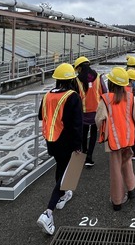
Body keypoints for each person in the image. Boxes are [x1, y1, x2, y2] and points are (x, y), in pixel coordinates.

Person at [36, 63, 83, 235]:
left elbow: (41, 115)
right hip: (67, 142)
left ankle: (63, 196)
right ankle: (48, 212)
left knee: (61, 167)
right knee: (67, 173)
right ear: (71, 80)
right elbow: (77, 125)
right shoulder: (73, 97)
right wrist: (78, 146)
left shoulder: (48, 95)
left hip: (51, 140)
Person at [95, 67, 135, 210]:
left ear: (111, 83)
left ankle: (117, 201)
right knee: (127, 164)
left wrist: (104, 131)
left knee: (115, 170)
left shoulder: (106, 99)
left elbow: (98, 119)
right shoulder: (131, 97)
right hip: (128, 139)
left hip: (114, 141)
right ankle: (132, 190)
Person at [73, 56, 103, 167]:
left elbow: (74, 97)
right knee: (94, 133)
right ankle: (89, 157)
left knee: (84, 133)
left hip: (82, 112)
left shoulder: (76, 80)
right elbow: (103, 92)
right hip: (96, 110)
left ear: (80, 67)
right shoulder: (98, 77)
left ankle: (84, 153)